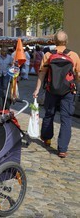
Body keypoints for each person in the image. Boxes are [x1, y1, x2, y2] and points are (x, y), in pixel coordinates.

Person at [33, 30, 80, 158]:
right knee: (66, 119)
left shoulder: (48, 55)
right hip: (68, 91)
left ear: (54, 41)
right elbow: (78, 75)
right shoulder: (74, 55)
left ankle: (47, 139)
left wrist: (37, 89)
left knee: (49, 114)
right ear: (67, 41)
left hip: (51, 89)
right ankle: (62, 149)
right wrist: (75, 86)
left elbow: (42, 73)